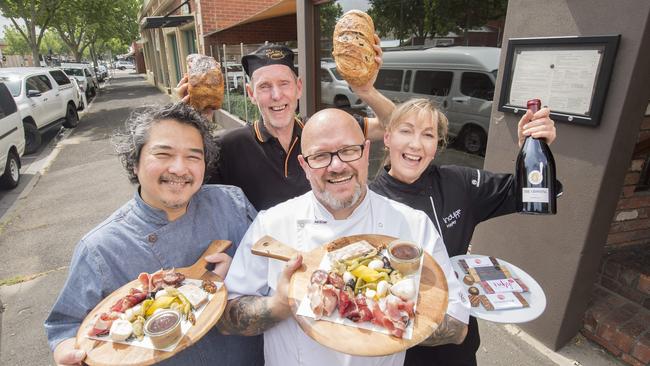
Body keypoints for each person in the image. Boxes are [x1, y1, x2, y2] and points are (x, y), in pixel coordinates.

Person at [218, 108, 471, 366]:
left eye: (348, 150)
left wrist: (388, 312)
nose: (337, 165)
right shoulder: (272, 224)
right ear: (304, 165)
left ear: (366, 153)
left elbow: (457, 324)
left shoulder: (413, 225)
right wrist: (281, 304)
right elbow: (227, 318)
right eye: (320, 156)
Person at [44, 102, 263, 366]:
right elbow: (65, 325)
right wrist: (67, 349)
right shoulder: (101, 247)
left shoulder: (231, 202)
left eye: (193, 156)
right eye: (163, 154)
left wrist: (239, 272)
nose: (180, 169)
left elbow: (266, 262)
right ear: (134, 162)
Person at [369, 98, 558, 366]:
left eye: (428, 135)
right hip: (398, 348)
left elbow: (528, 193)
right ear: (387, 138)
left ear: (437, 146)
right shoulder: (368, 203)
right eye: (406, 131)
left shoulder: (458, 183)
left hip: (457, 342)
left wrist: (530, 149)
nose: (415, 144)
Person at [177, 42, 394, 210]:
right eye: (264, 86)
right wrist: (192, 119)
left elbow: (391, 127)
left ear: (298, 88)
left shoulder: (321, 132)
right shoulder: (229, 146)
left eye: (284, 83)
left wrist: (366, 91)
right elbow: (183, 188)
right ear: (251, 94)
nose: (276, 95)